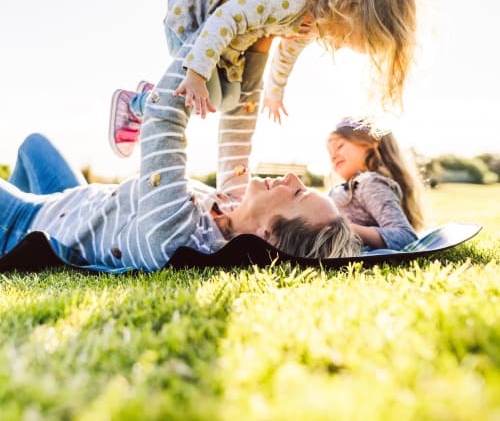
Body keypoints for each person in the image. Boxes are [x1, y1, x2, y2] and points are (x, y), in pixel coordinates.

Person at [0, 38, 362, 274]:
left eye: (298, 193)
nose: (294, 179)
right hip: (73, 206)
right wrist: (261, 46)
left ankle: (12, 251)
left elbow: (163, 120)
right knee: (35, 145)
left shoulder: (176, 237)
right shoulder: (231, 206)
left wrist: (209, 35)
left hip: (28, 222)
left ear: (267, 235)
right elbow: (240, 119)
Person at [109, 0, 426, 157]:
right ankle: (136, 103)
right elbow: (225, 18)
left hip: (227, 43)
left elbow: (288, 50)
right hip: (195, 20)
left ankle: (152, 98)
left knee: (230, 99)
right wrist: (194, 74)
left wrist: (275, 93)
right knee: (208, 97)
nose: (354, 47)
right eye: (361, 38)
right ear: (351, 6)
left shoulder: (316, 18)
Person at [326, 117, 424, 250]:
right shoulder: (348, 188)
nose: (333, 156)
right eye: (330, 152)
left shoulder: (370, 184)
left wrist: (348, 229)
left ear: (371, 141)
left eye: (340, 146)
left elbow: (405, 237)